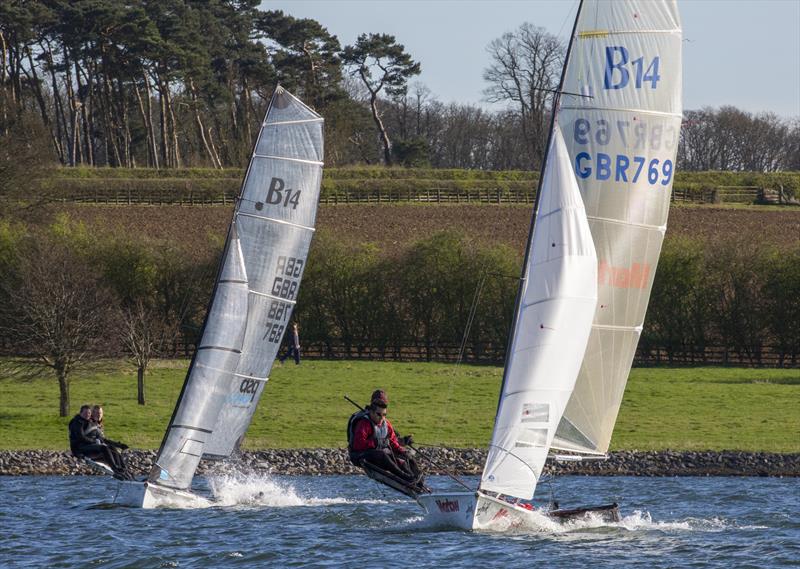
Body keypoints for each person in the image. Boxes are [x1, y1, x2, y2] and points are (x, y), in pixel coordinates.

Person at [347, 390, 424, 491]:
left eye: (384, 415)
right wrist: (376, 443)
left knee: (404, 459)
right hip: (360, 455)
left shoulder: (386, 424)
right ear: (371, 409)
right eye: (379, 414)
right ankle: (407, 478)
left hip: (378, 454)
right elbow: (358, 445)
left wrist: (403, 451)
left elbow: (393, 442)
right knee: (382, 455)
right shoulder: (364, 423)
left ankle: (418, 482)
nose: (382, 418)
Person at [68, 404, 131, 480]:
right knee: (104, 448)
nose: (87, 415)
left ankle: (125, 472)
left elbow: (103, 439)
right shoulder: (77, 423)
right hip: (80, 449)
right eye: (85, 413)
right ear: (80, 413)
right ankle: (116, 469)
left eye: (88, 413)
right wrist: (94, 441)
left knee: (112, 448)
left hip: (91, 447)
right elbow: (80, 437)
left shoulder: (92, 424)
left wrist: (119, 445)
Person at [85, 405, 131, 479]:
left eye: (100, 413)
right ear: (92, 414)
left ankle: (126, 474)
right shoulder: (90, 424)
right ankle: (121, 473)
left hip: (100, 450)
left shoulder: (99, 425)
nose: (98, 415)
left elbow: (103, 440)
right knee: (112, 450)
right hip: (92, 452)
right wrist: (118, 445)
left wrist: (119, 445)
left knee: (115, 452)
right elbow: (102, 440)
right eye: (96, 413)